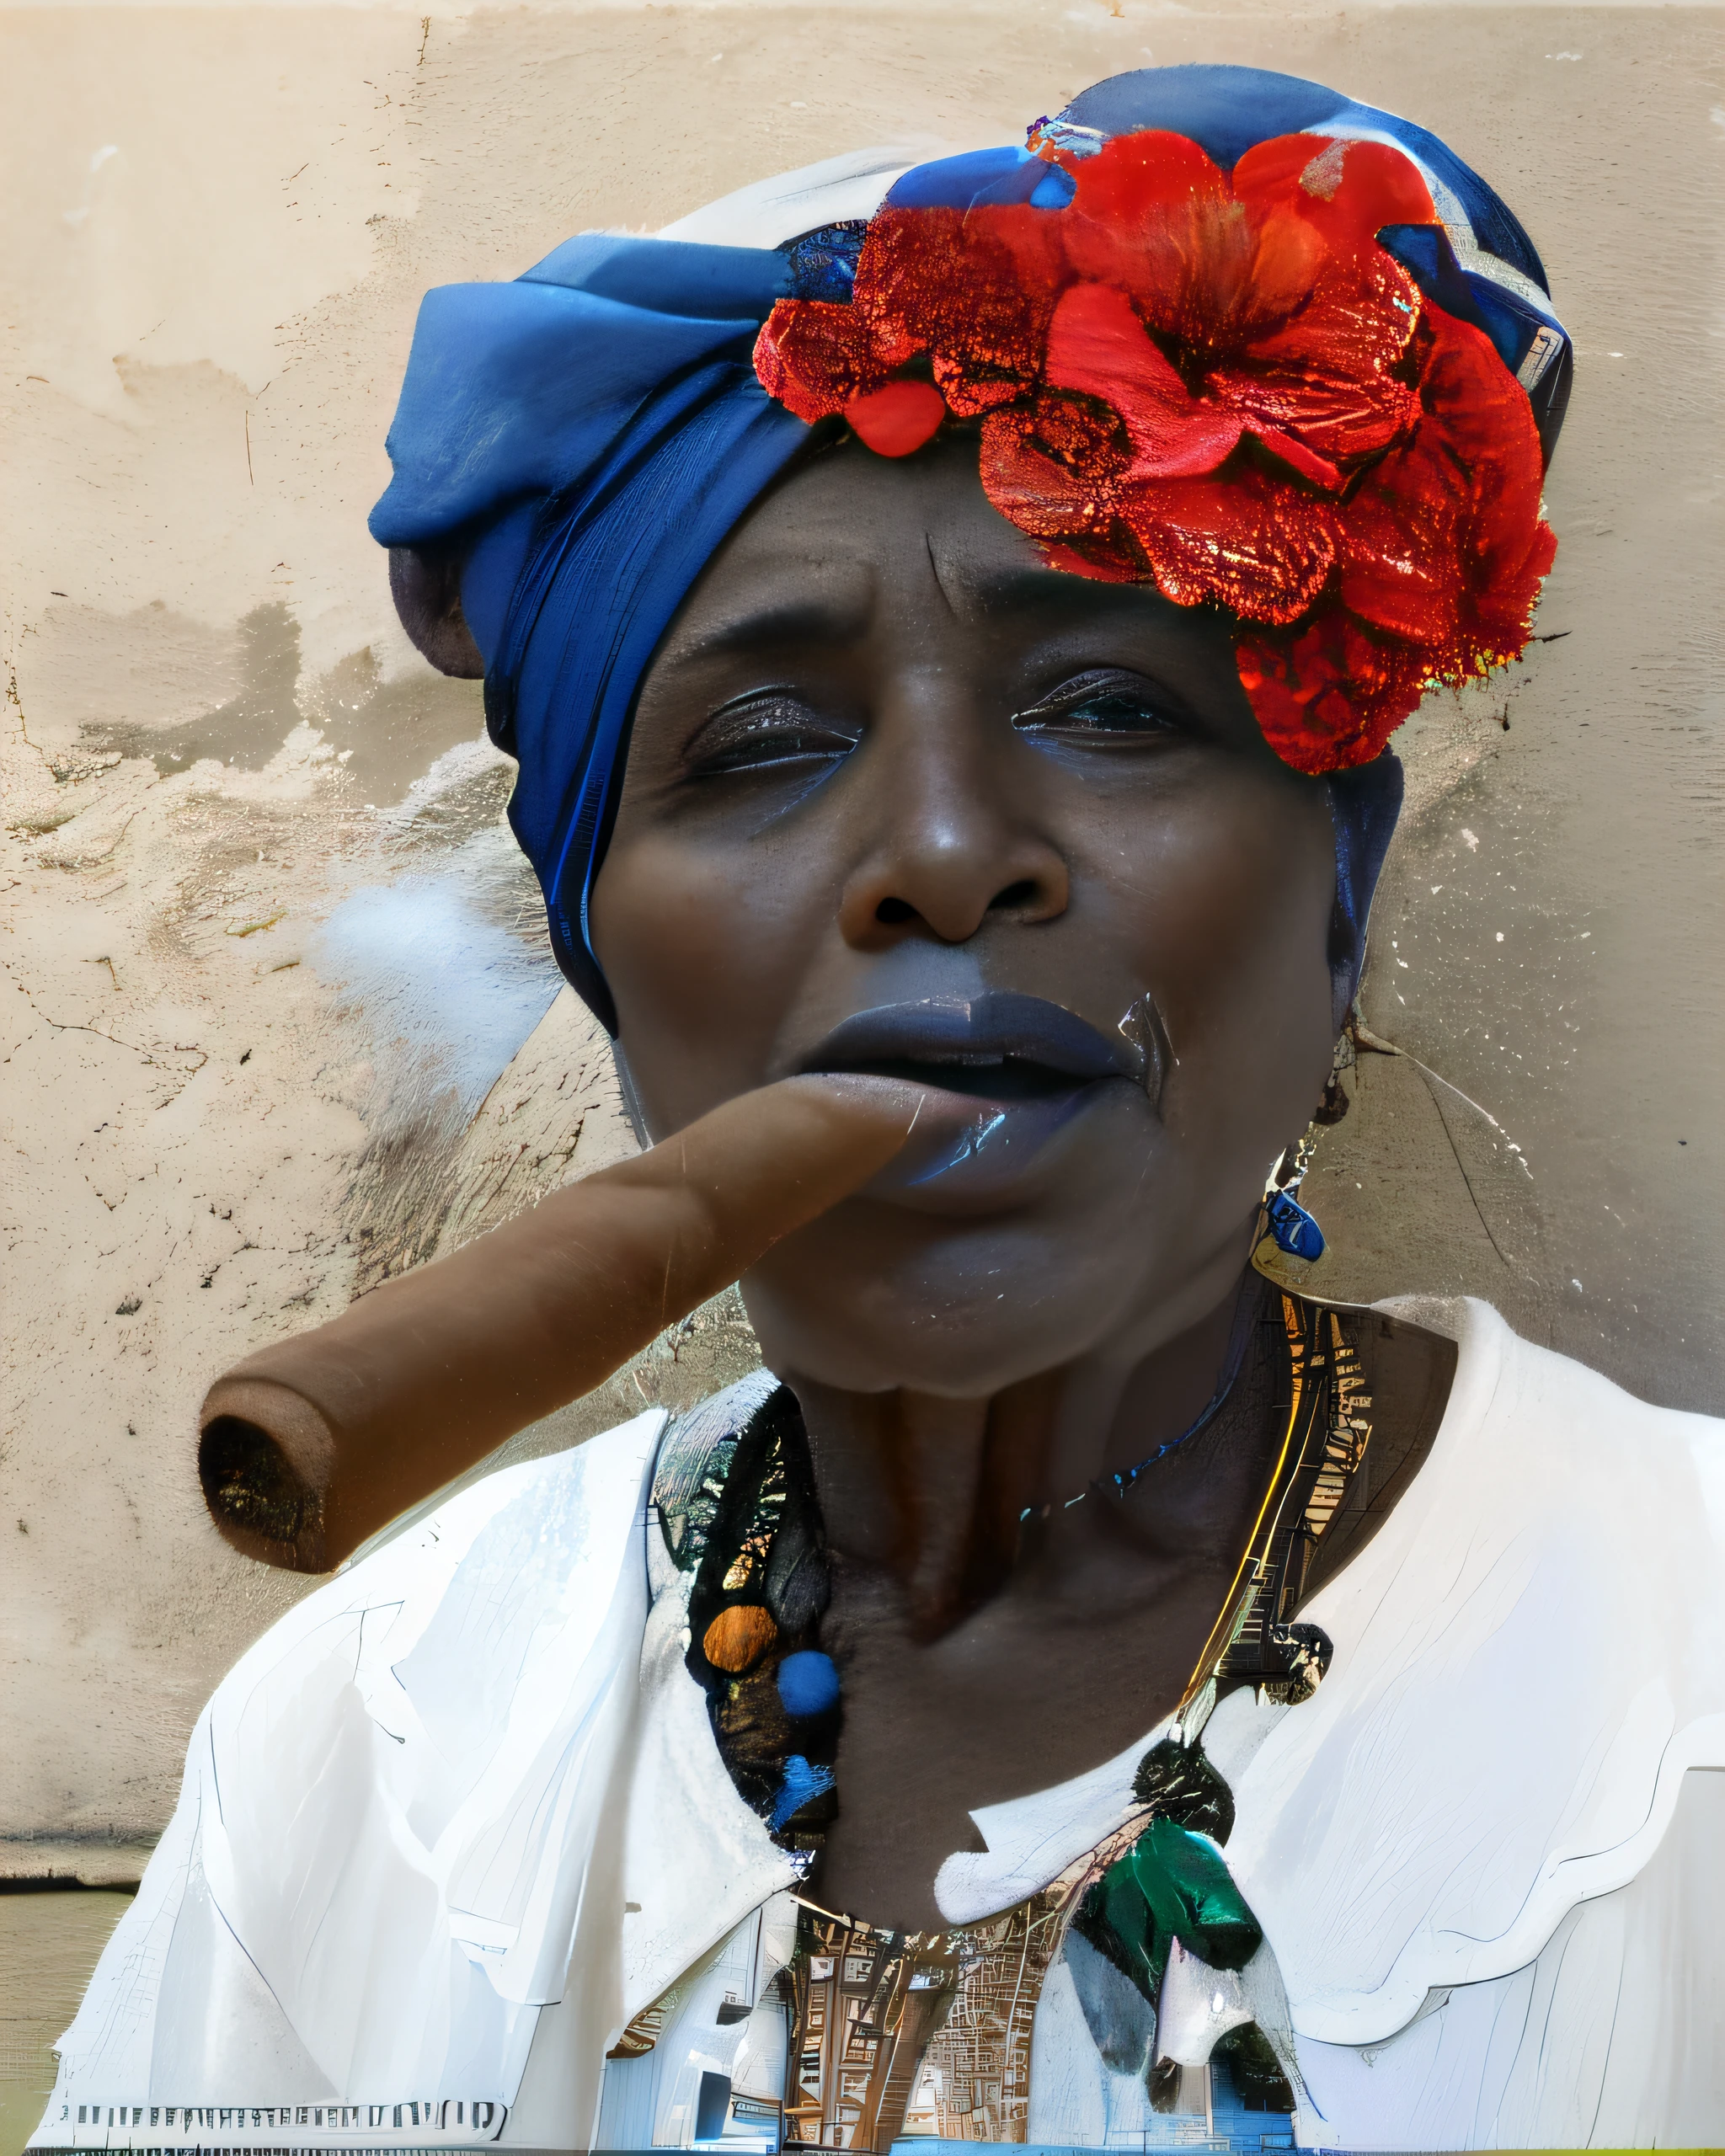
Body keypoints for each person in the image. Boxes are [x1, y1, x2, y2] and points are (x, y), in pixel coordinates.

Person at [33, 63, 1725, 2156]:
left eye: (1114, 704)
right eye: (754, 743)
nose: (940, 849)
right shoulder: (371, 1732)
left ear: (1334, 911)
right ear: (611, 966)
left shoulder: (1689, 1678)